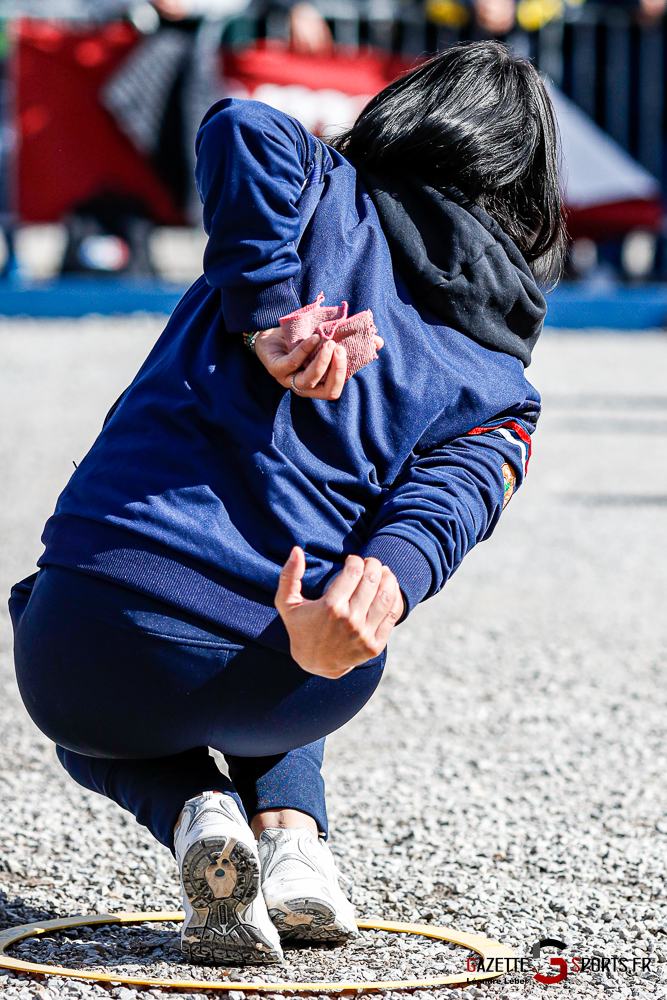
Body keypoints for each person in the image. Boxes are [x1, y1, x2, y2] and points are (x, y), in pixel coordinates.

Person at [10, 40, 565, 967]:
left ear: (407, 120)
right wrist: (376, 591)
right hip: (302, 677)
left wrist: (269, 310)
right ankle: (296, 843)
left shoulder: (316, 191)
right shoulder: (505, 384)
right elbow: (450, 507)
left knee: (44, 611)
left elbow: (241, 125)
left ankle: (193, 812)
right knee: (274, 647)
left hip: (102, 636)